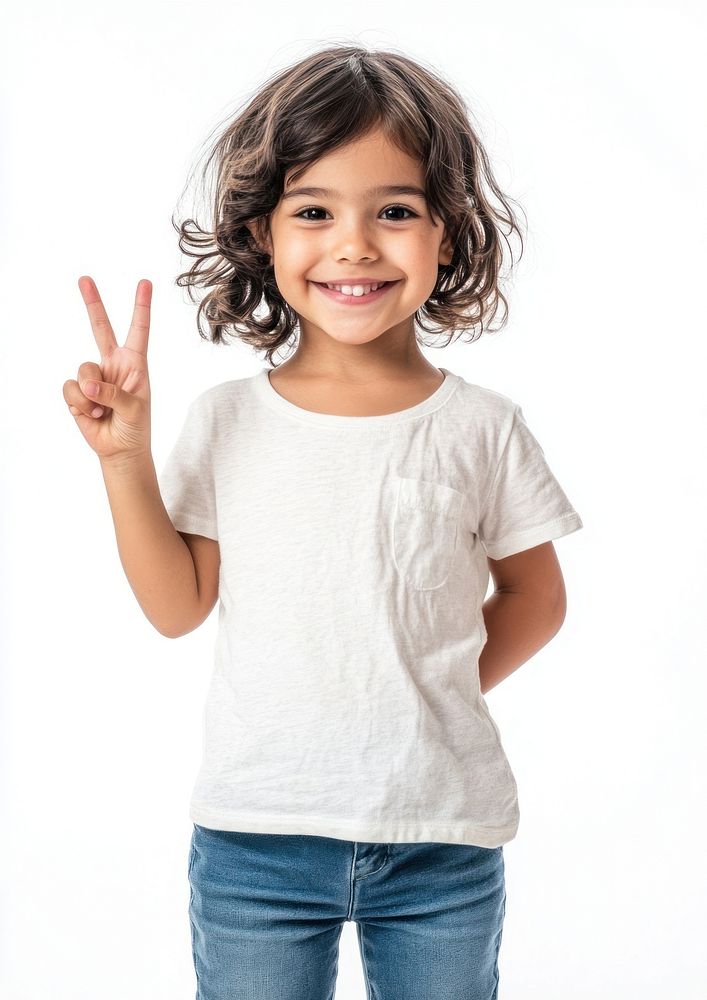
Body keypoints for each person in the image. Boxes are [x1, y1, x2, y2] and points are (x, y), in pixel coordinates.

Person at [64, 43, 583, 1000]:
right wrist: (125, 461)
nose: (354, 244)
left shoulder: (480, 427)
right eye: (314, 211)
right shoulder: (226, 421)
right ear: (264, 234)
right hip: (255, 844)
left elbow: (535, 598)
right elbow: (178, 607)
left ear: (446, 235)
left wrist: (421, 690)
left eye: (394, 210)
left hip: (440, 842)